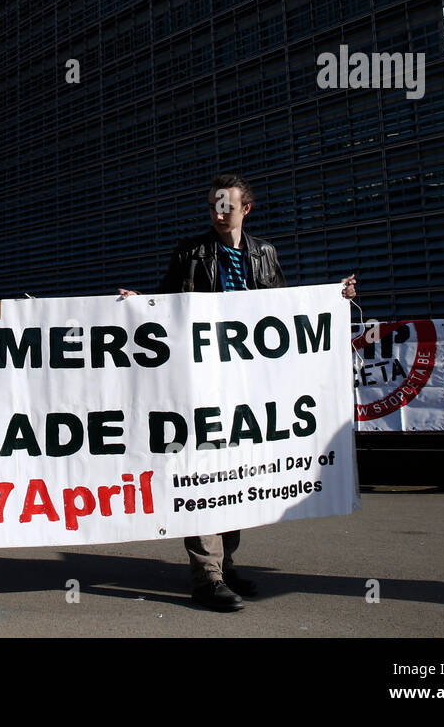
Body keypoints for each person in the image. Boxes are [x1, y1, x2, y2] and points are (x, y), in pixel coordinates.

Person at [120, 173, 356, 612]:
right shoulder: (191, 252)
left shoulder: (264, 253)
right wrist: (139, 305)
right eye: (212, 204)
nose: (218, 211)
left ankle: (225, 566)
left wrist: (332, 298)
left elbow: (283, 310)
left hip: (246, 386)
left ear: (246, 208)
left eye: (226, 204)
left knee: (236, 477)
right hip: (200, 382)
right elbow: (168, 303)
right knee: (203, 472)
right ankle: (206, 577)